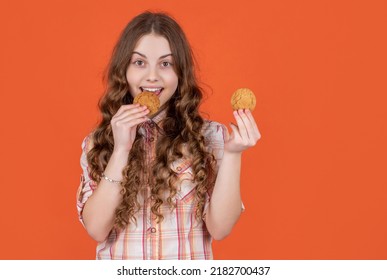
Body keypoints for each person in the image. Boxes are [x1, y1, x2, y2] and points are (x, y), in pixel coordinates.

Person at [76, 11, 261, 260]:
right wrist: (121, 149)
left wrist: (233, 153)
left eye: (165, 64)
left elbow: (220, 229)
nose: (152, 76)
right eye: (139, 62)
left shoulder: (211, 136)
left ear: (180, 72)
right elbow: (97, 229)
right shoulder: (98, 142)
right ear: (124, 70)